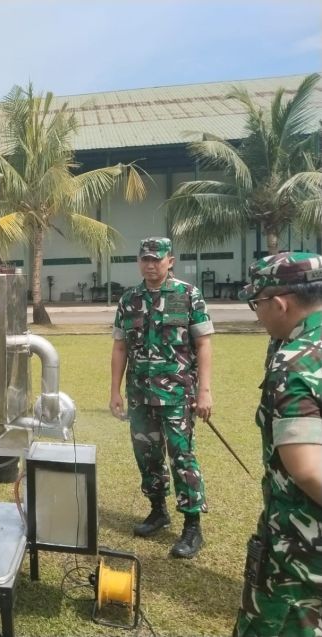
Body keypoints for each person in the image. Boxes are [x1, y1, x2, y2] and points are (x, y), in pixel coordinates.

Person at [233, 252, 322, 637]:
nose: (258, 315)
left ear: (280, 302)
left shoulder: (296, 363)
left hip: (300, 555)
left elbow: (307, 470)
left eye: (258, 304)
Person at [109, 237, 214, 559]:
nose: (150, 264)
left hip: (178, 393)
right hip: (140, 394)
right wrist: (114, 390)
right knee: (147, 455)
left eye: (157, 259)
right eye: (145, 259)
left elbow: (203, 344)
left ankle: (192, 526)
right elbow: (120, 347)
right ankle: (158, 510)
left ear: (171, 260)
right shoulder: (129, 299)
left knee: (182, 457)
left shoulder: (187, 295)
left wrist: (205, 390)